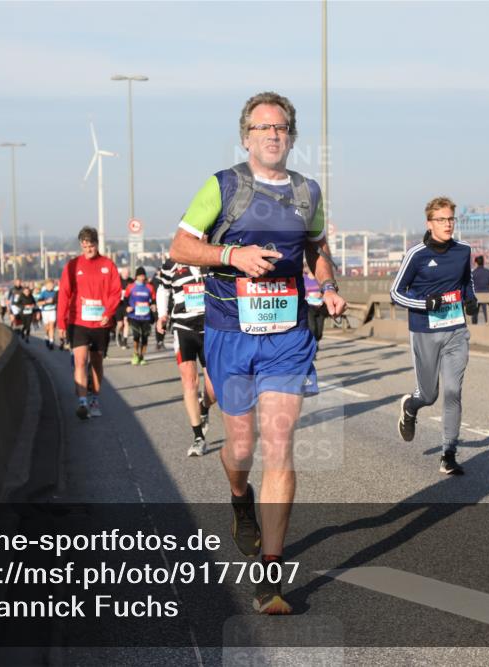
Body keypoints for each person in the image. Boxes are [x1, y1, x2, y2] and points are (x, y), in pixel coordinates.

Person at [169, 91, 345, 614]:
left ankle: (270, 575)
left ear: (292, 136)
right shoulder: (223, 186)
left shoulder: (308, 192)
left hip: (288, 335)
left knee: (280, 442)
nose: (273, 134)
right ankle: (239, 498)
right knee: (241, 448)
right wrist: (232, 254)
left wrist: (329, 284)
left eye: (282, 127)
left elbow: (316, 248)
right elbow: (180, 247)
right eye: (263, 127)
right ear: (246, 136)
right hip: (229, 331)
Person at [389, 196, 476, 475]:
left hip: (456, 331)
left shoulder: (463, 250)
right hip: (425, 331)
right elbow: (396, 292)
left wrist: (471, 299)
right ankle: (411, 406)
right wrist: (425, 304)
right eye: (442, 219)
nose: (448, 224)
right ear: (430, 223)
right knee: (429, 394)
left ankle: (448, 453)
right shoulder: (417, 254)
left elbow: (466, 282)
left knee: (453, 391)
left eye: (451, 219)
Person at [57, 226, 121, 420]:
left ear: (96, 244)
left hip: (100, 323)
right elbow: (64, 294)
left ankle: (94, 398)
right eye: (84, 247)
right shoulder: (72, 266)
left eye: (90, 246)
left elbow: (115, 291)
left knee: (96, 363)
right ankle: (83, 402)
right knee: (79, 360)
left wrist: (108, 313)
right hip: (78, 322)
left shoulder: (108, 265)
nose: (88, 250)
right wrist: (61, 323)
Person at [156, 256, 216, 457]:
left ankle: (204, 406)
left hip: (210, 327)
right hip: (183, 327)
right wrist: (162, 315)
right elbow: (163, 289)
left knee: (213, 389)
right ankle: (198, 437)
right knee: (189, 382)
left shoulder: (212, 256)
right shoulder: (172, 263)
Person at [125, 267, 156, 365]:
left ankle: (142, 356)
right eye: (140, 276)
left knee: (145, 337)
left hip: (146, 316)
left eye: (143, 276)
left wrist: (153, 305)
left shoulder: (149, 287)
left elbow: (154, 299)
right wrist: (127, 307)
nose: (142, 278)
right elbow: (125, 299)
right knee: (136, 335)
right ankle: (135, 354)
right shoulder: (131, 287)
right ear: (136, 276)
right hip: (134, 315)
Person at [303, 268, 327, 345]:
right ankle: (313, 346)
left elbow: (326, 290)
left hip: (320, 306)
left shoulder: (320, 279)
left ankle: (316, 341)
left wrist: (321, 293)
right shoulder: (303, 278)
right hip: (309, 306)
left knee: (319, 331)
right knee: (312, 328)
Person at [470, 255, 489, 324]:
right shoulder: (488, 272)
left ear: (476, 263)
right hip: (486, 294)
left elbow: (470, 284)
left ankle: (474, 328)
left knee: (474, 314)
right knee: (487, 314)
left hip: (476, 295)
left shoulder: (473, 273)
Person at [37, 279, 58, 349]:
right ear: (46, 286)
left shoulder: (55, 293)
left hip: (53, 311)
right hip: (45, 311)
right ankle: (46, 336)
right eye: (49, 285)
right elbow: (38, 303)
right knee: (47, 327)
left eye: (52, 285)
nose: (51, 286)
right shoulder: (43, 293)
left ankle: (51, 342)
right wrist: (46, 301)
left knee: (52, 326)